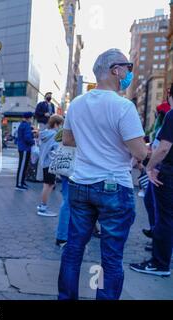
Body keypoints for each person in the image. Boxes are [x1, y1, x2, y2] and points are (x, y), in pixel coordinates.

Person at [57, 49, 147, 300]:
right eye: (127, 67)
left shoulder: (76, 103)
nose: (129, 72)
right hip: (114, 187)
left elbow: (67, 139)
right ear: (115, 70)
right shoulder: (123, 107)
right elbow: (139, 152)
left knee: (73, 250)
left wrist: (92, 144)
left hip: (81, 183)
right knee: (110, 257)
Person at [130, 83, 173, 277]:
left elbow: (164, 148)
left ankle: (159, 263)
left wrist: (148, 167)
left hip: (169, 174)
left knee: (164, 219)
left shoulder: (172, 115)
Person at [36, 115, 64, 217]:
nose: (61, 127)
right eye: (60, 124)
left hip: (44, 162)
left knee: (47, 185)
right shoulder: (54, 135)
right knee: (49, 185)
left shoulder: (45, 133)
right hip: (50, 163)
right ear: (56, 124)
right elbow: (55, 150)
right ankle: (43, 208)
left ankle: (42, 206)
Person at [15, 112, 35, 191]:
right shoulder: (26, 125)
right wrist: (32, 141)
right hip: (24, 148)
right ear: (29, 118)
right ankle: (19, 184)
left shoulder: (23, 124)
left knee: (24, 166)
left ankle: (22, 182)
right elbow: (27, 138)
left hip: (23, 148)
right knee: (22, 167)